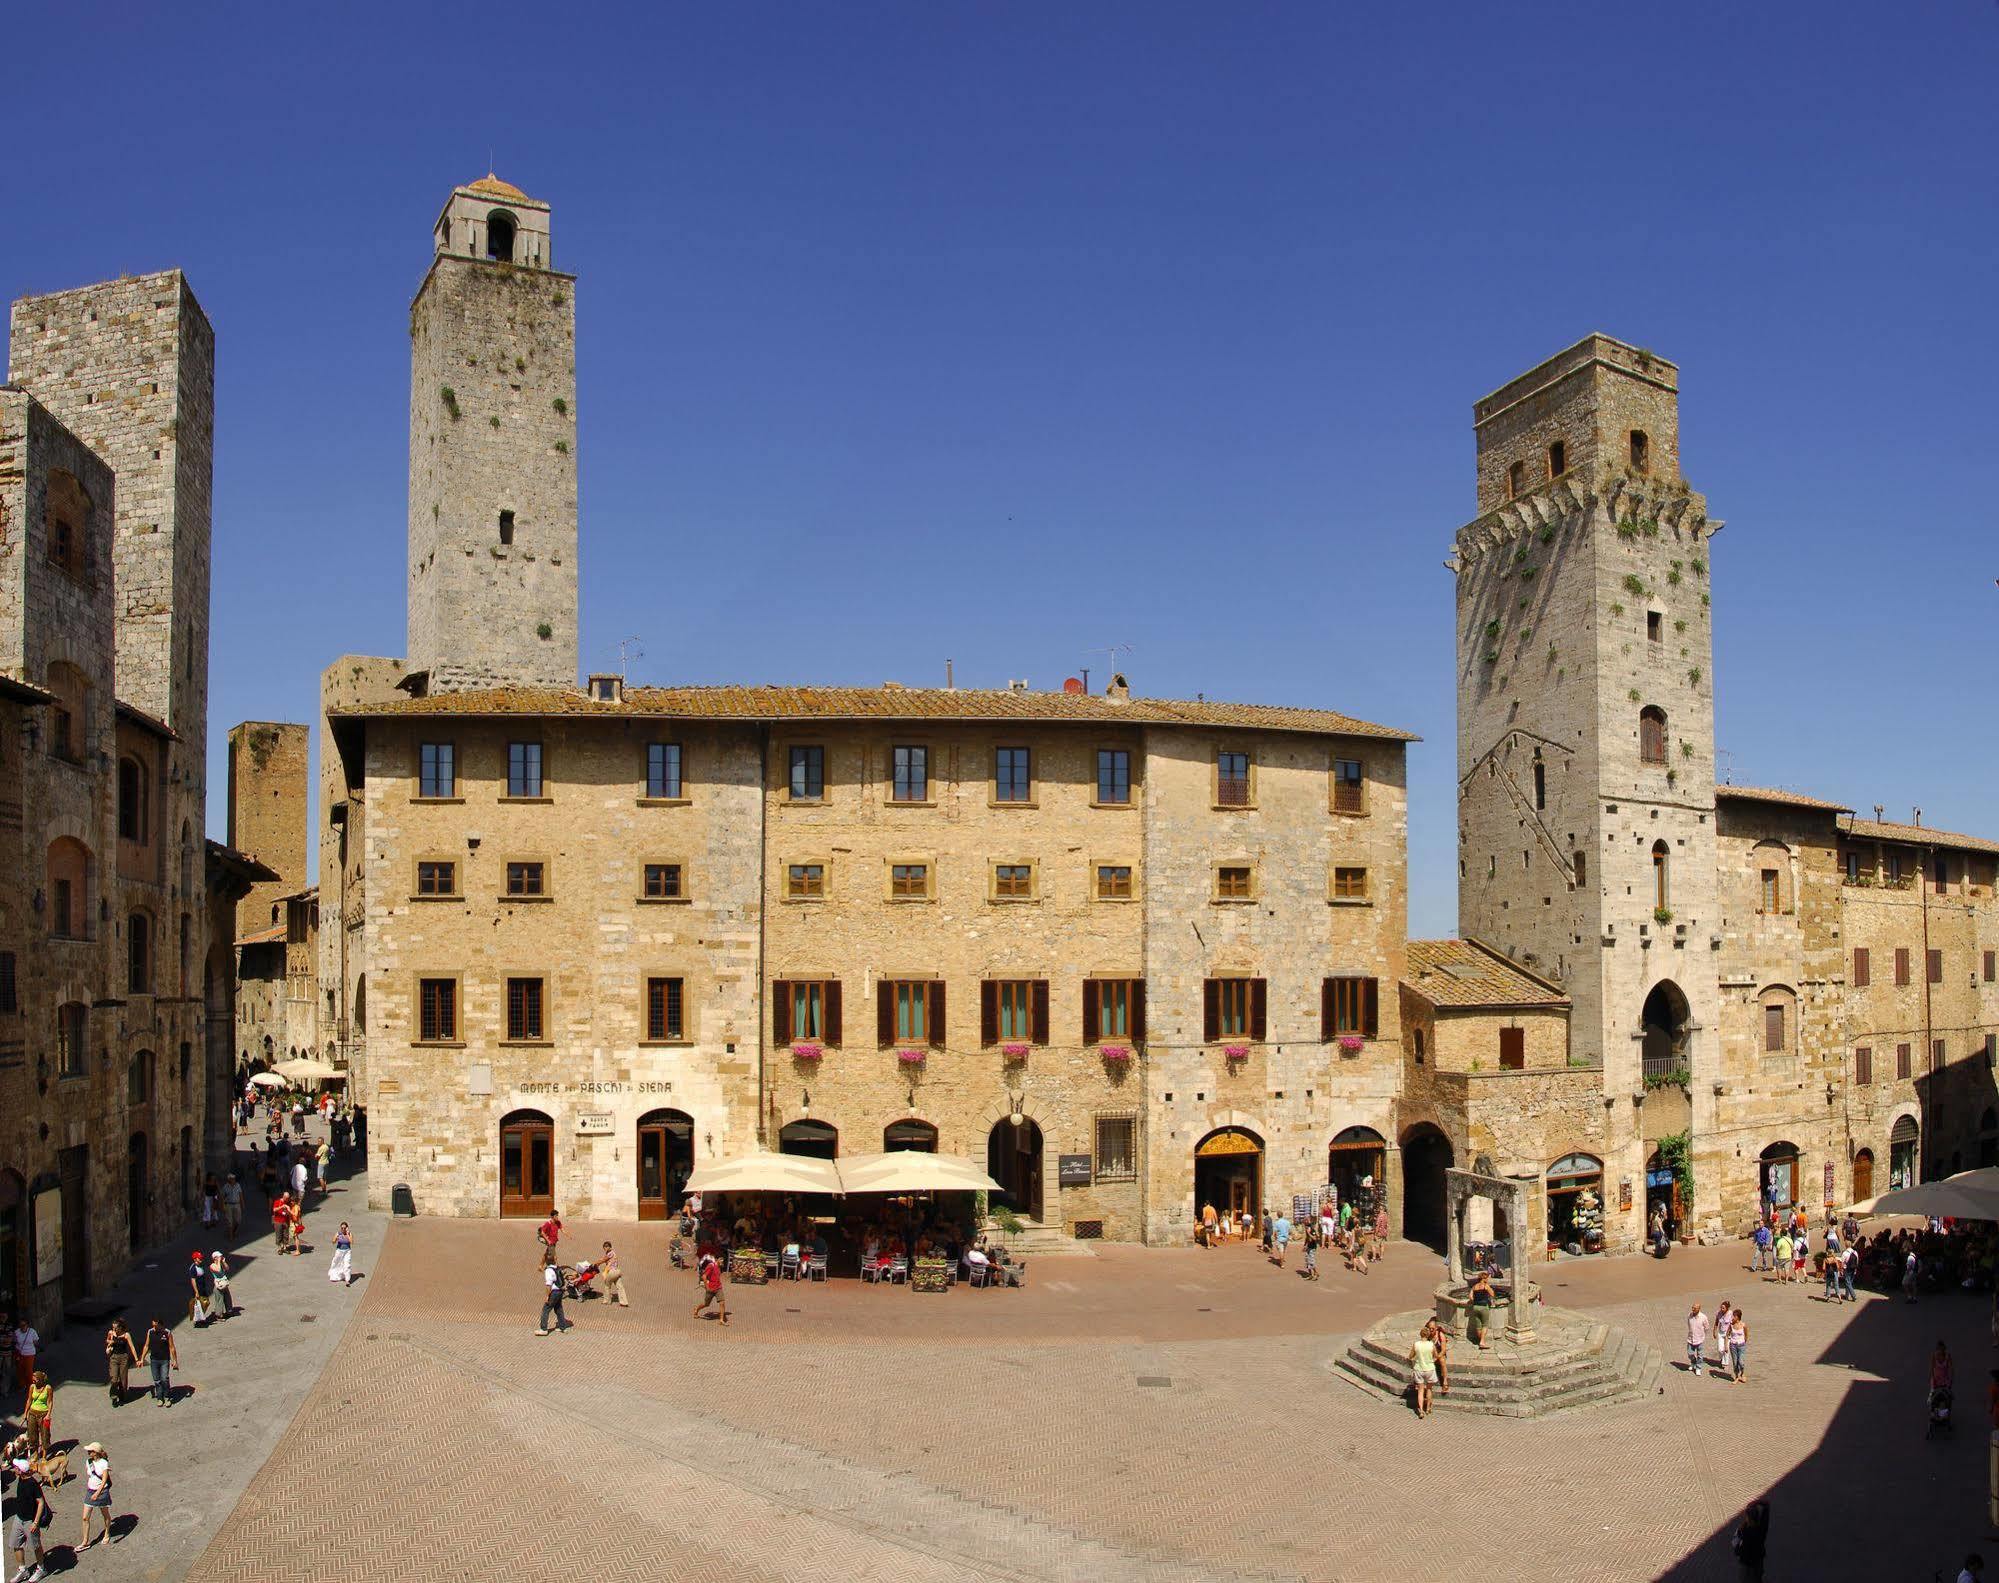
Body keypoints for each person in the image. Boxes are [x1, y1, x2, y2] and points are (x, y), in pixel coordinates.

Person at [7, 1448, 48, 1583]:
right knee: (16, 1543)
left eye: (16, 1467)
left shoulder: (32, 1484)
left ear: (21, 1471)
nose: (14, 1469)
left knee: (36, 1546)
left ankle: (41, 1569)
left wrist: (35, 1522)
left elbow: (41, 1502)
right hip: (19, 1518)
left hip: (30, 1520)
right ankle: (23, 1570)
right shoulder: (21, 1479)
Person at [78, 1442, 112, 1552]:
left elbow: (104, 1480)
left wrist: (97, 1493)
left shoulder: (104, 1463)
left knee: (105, 1514)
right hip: (90, 1491)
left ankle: (107, 1533)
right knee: (85, 1517)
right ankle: (85, 1541)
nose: (88, 1452)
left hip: (101, 1492)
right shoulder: (88, 1462)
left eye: (91, 1451)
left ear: (96, 1452)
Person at [139, 1315, 177, 1406]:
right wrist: (142, 1359)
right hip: (154, 1360)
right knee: (157, 1380)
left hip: (164, 1360)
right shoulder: (150, 1332)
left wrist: (174, 1360)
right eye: (153, 1325)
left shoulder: (167, 1332)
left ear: (160, 1325)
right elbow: (146, 1346)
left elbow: (172, 1347)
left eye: (155, 1326)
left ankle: (167, 1397)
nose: (154, 1328)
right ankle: (160, 1398)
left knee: (164, 1379)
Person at [1731, 1498, 1770, 1578]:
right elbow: (1767, 1506)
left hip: (1747, 1566)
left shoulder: (1745, 1533)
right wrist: (1756, 1502)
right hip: (1758, 1560)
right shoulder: (1761, 1528)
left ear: (1748, 1518)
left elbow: (1738, 1550)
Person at [105, 1319, 138, 1407]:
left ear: (120, 1328)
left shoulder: (126, 1335)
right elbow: (107, 1340)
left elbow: (132, 1347)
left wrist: (137, 1359)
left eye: (116, 1328)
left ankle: (122, 1393)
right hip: (114, 1358)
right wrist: (110, 1342)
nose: (114, 1329)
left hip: (123, 1358)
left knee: (123, 1379)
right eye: (113, 1328)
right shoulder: (111, 1333)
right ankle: (114, 1397)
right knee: (114, 1379)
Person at [1410, 1321, 1438, 1418]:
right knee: (1429, 1389)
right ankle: (1428, 1408)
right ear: (1428, 1334)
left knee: (1420, 1391)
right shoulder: (1431, 1344)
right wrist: (1431, 1360)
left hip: (1419, 1369)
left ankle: (1421, 1410)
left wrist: (1416, 1358)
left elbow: (1410, 1356)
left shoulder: (1416, 1344)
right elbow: (1436, 1356)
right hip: (1429, 1369)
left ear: (1420, 1334)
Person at [693, 1250, 729, 1325]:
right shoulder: (711, 1266)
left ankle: (721, 1320)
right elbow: (704, 1276)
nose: (722, 1261)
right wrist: (707, 1287)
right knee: (706, 1304)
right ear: (716, 1259)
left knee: (722, 1303)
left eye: (723, 1259)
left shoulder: (720, 1267)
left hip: (718, 1287)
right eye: (721, 1259)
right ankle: (697, 1309)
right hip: (711, 1288)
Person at [22, 1372, 51, 1458]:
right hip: (32, 1413)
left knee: (45, 1435)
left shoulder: (48, 1388)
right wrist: (25, 1413)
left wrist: (48, 1414)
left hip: (43, 1414)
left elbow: (50, 1402)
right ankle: (35, 1454)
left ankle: (44, 1456)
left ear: (40, 1380)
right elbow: (29, 1400)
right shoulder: (32, 1387)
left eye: (35, 1380)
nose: (33, 1381)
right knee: (32, 1435)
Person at [536, 1257, 566, 1337]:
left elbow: (548, 1285)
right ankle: (563, 1327)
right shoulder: (557, 1268)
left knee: (546, 1309)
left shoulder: (549, 1270)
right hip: (560, 1291)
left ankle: (543, 1329)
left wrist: (547, 1296)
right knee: (558, 1308)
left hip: (554, 1292)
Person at [1466, 1267, 1496, 1348]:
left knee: (1478, 1326)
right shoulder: (1486, 1286)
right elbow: (1492, 1294)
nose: (1488, 1280)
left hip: (1475, 1307)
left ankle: (1480, 1340)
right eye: (1487, 1278)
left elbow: (1471, 1297)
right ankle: (1482, 1342)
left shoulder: (1474, 1286)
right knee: (1485, 1325)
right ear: (1484, 1278)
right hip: (1484, 1307)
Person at [9, 1318, 37, 1404]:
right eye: (20, 1325)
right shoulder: (17, 1332)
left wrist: (28, 1347)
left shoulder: (32, 1332)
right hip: (20, 1354)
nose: (22, 1327)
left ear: (27, 1325)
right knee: (20, 1371)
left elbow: (35, 1341)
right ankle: (22, 1386)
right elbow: (13, 1341)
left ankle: (30, 1387)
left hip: (29, 1354)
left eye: (24, 1325)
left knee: (28, 1371)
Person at [187, 1249, 213, 1326]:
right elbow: (193, 1280)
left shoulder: (200, 1265)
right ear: (195, 1259)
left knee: (206, 1303)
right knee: (199, 1304)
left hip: (203, 1288)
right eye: (199, 1258)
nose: (201, 1259)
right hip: (198, 1289)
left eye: (201, 1257)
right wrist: (196, 1292)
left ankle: (200, 1318)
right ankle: (198, 1320)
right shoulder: (193, 1268)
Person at [599, 1241, 628, 1306]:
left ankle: (607, 1301)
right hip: (617, 1272)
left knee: (607, 1285)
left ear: (610, 1247)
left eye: (607, 1246)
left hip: (612, 1272)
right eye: (605, 1246)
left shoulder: (610, 1253)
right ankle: (624, 1302)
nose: (606, 1248)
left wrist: (595, 1264)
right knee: (620, 1286)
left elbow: (603, 1260)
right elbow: (603, 1259)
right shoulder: (610, 1253)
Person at [1686, 1303, 1710, 1377]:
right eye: (1692, 1308)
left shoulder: (1703, 1317)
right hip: (1690, 1339)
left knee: (1700, 1355)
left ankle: (1698, 1367)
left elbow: (1707, 1327)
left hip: (1699, 1340)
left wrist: (1702, 1336)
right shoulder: (1689, 1315)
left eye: (1695, 1308)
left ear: (1699, 1309)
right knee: (1690, 1354)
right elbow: (1689, 1324)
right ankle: (1693, 1362)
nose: (1693, 1309)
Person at [210, 1249, 235, 1318]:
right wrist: (218, 1261)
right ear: (215, 1258)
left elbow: (227, 1268)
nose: (221, 1257)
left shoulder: (221, 1264)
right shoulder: (212, 1265)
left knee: (228, 1298)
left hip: (224, 1284)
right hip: (218, 1286)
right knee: (219, 1301)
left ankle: (229, 1311)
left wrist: (223, 1262)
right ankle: (219, 1315)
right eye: (219, 1256)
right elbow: (218, 1270)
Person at [1728, 1308, 1748, 1384]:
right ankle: (1737, 1377)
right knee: (1735, 1363)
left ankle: (1742, 1374)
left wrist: (1743, 1342)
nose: (1733, 1317)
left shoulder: (1743, 1325)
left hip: (1741, 1346)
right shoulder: (1731, 1325)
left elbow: (1746, 1335)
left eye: (1734, 1316)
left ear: (1738, 1317)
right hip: (1733, 1346)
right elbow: (1727, 1335)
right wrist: (1727, 1345)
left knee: (1741, 1362)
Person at [220, 1172, 243, 1237]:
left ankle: (234, 1230)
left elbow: (240, 1195)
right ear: (229, 1179)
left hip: (237, 1204)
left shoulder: (238, 1185)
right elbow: (222, 1197)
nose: (233, 1180)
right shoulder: (225, 1186)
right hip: (228, 1205)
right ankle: (231, 1236)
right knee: (229, 1221)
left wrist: (242, 1204)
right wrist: (222, 1205)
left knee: (238, 1220)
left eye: (234, 1178)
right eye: (232, 1179)